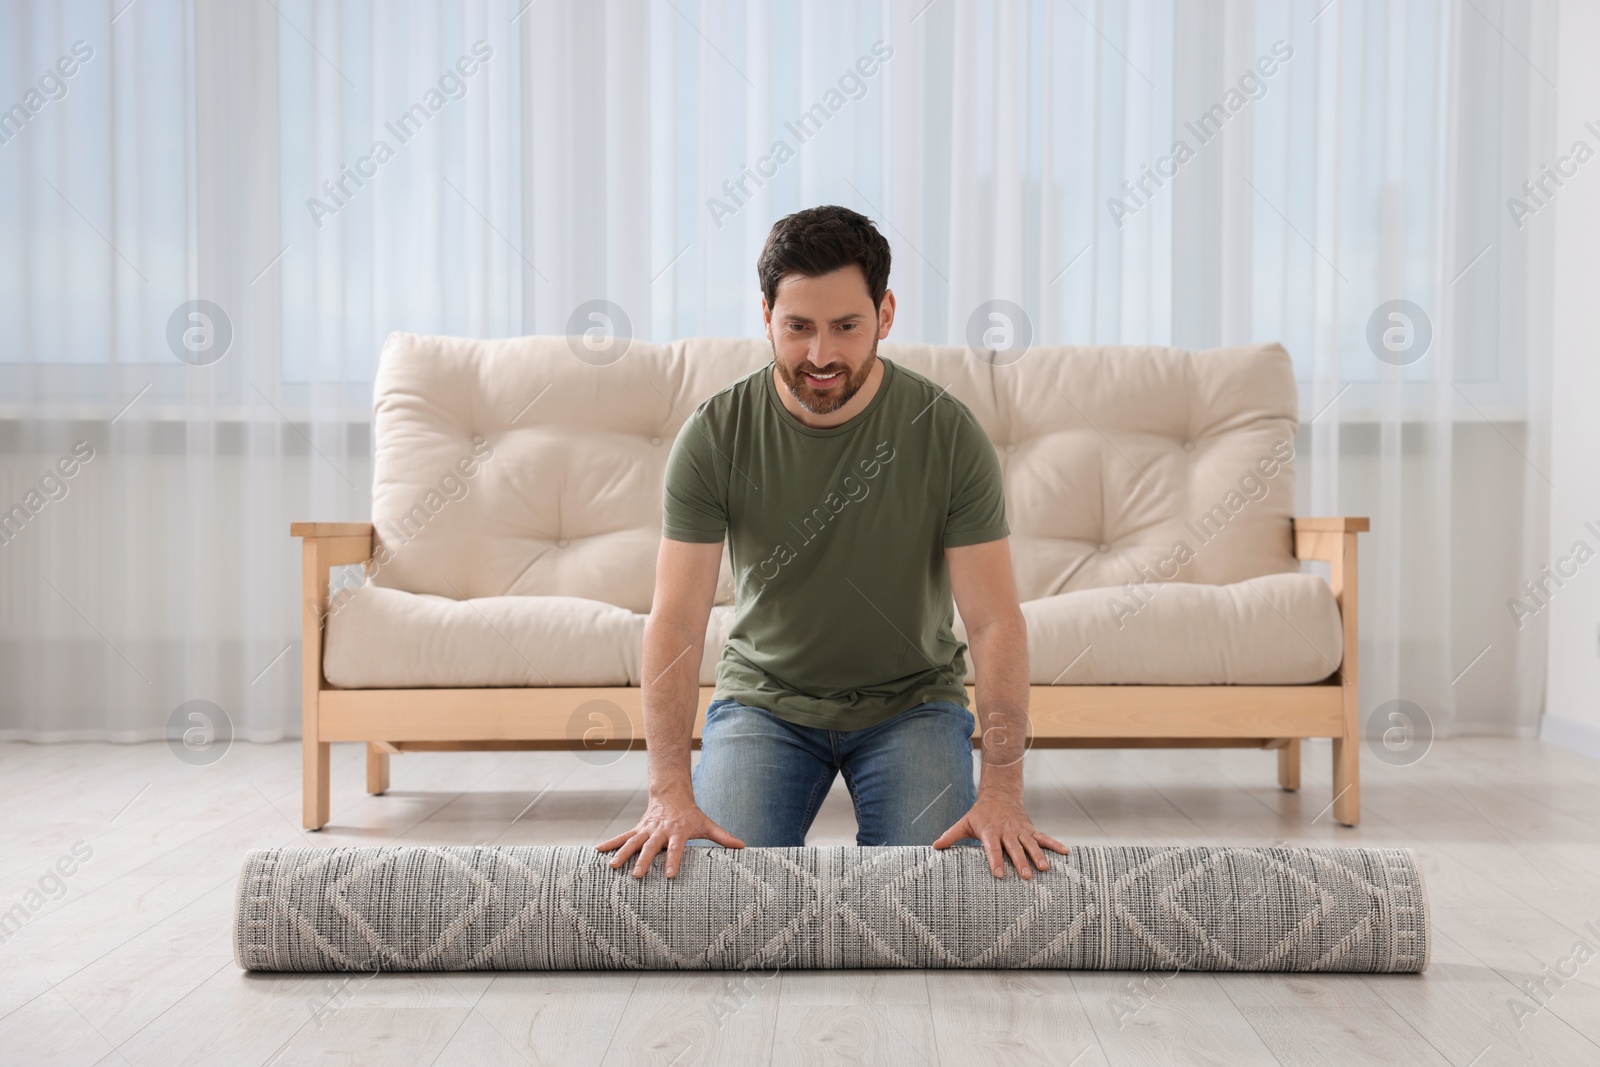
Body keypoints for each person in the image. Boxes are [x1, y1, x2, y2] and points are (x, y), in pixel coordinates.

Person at [594, 205, 1069, 882]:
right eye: (798, 327)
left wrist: (1002, 793)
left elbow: (995, 622)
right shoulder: (715, 434)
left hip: (912, 706)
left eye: (846, 326)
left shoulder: (948, 434)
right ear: (766, 317)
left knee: (935, 894)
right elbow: (675, 621)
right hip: (766, 701)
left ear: (886, 314)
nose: (820, 355)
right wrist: (668, 793)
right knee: (712, 889)